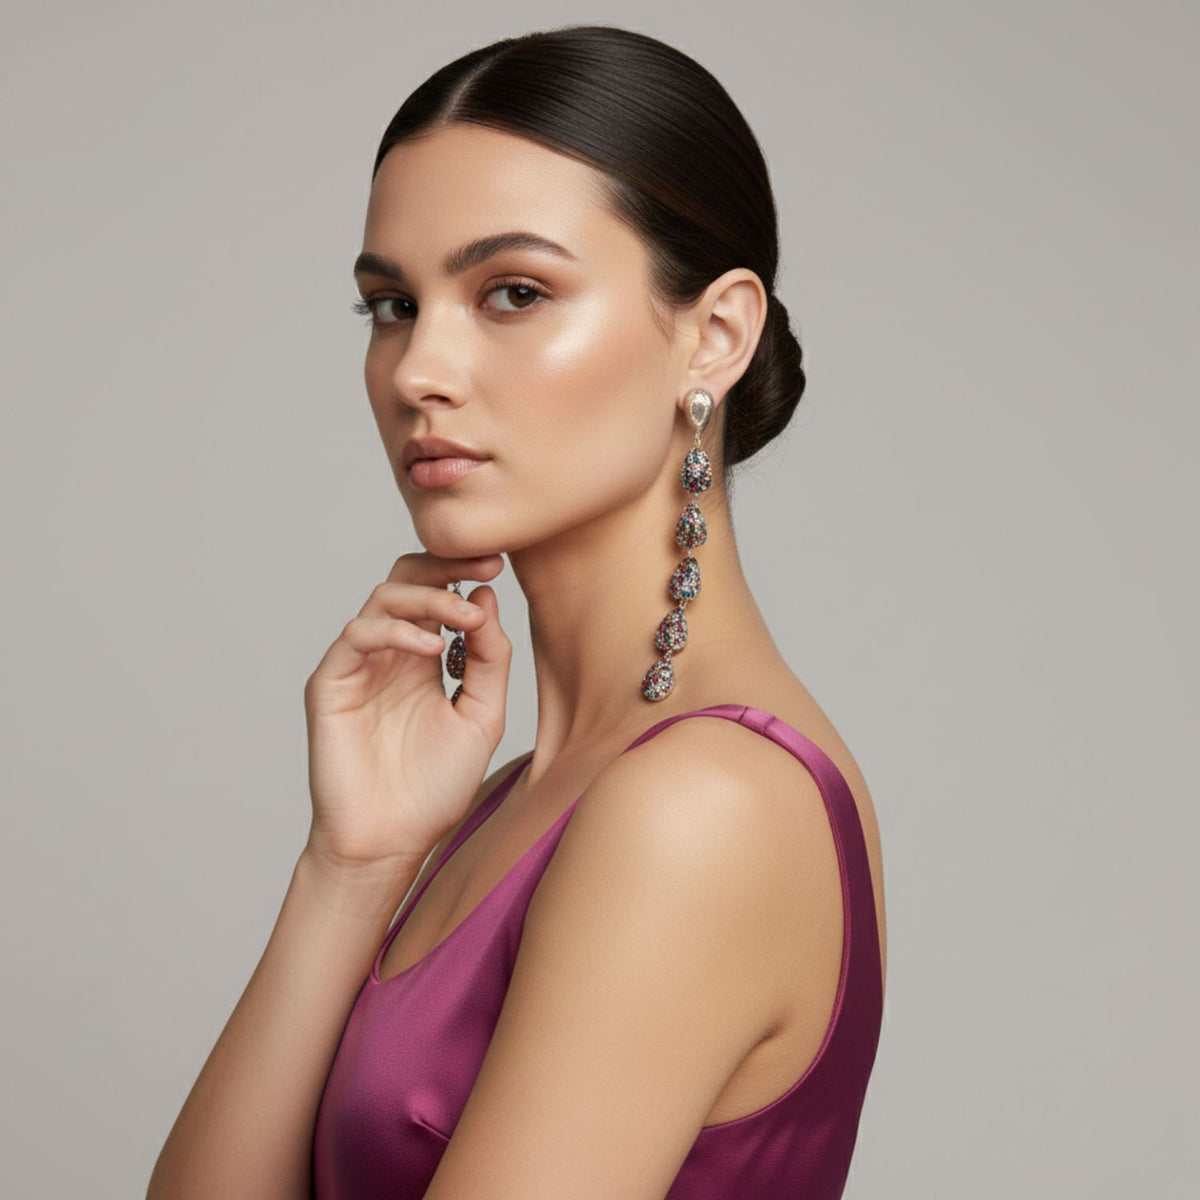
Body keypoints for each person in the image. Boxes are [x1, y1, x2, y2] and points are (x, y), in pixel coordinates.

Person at [147, 24, 887, 1200]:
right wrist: (353, 863)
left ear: (716, 334)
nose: (419, 371)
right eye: (391, 306)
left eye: (513, 292)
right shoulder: (524, 792)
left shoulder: (702, 807)